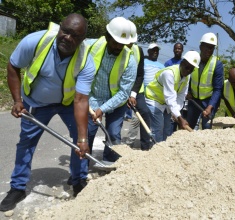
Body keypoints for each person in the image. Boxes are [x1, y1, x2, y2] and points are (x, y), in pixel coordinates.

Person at [0, 13, 95, 211]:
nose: (67, 38)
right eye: (65, 31)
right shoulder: (35, 41)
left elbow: (81, 99)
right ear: (59, 28)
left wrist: (84, 139)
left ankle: (78, 181)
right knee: (26, 142)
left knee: (80, 138)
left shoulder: (86, 60)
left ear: (82, 39)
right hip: (36, 102)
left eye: (74, 36)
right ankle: (17, 187)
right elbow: (13, 66)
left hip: (68, 103)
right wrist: (17, 101)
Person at [86, 17, 137, 162]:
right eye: (115, 43)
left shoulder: (130, 60)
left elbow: (123, 93)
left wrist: (102, 109)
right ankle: (82, 169)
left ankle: (108, 165)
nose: (118, 47)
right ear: (107, 37)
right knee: (87, 133)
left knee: (113, 135)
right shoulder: (91, 46)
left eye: (122, 44)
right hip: (93, 99)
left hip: (116, 104)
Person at [145, 51, 201, 142]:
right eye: (187, 67)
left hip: (166, 103)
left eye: (191, 69)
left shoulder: (187, 77)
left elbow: (181, 96)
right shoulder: (169, 73)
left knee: (167, 129)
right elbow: (170, 98)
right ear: (182, 63)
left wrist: (176, 113)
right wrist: (180, 118)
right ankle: (156, 151)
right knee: (158, 128)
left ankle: (166, 151)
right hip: (154, 100)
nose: (188, 71)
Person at [126, 42, 164, 147]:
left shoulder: (162, 66)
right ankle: (129, 143)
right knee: (136, 119)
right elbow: (139, 75)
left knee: (148, 119)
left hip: (153, 99)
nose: (155, 52)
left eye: (157, 50)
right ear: (149, 51)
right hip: (140, 94)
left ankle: (147, 145)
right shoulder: (144, 61)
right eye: (153, 50)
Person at [186, 32, 224, 130]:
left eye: (212, 48)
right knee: (188, 126)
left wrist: (210, 106)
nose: (209, 50)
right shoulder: (193, 59)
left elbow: (218, 89)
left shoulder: (217, 64)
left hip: (208, 101)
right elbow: (187, 76)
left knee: (206, 128)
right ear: (201, 46)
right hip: (194, 100)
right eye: (207, 47)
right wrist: (188, 91)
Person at [125, 20, 153, 151]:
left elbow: (140, 74)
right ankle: (114, 149)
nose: (130, 44)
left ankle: (146, 147)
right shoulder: (117, 49)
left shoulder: (138, 50)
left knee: (145, 113)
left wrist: (133, 94)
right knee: (117, 118)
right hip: (118, 89)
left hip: (136, 90)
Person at [164, 43, 185, 134]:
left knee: (178, 118)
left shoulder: (184, 63)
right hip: (169, 94)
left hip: (180, 95)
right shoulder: (168, 63)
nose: (177, 50)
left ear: (182, 50)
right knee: (169, 121)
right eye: (176, 48)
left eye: (179, 49)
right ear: (173, 50)